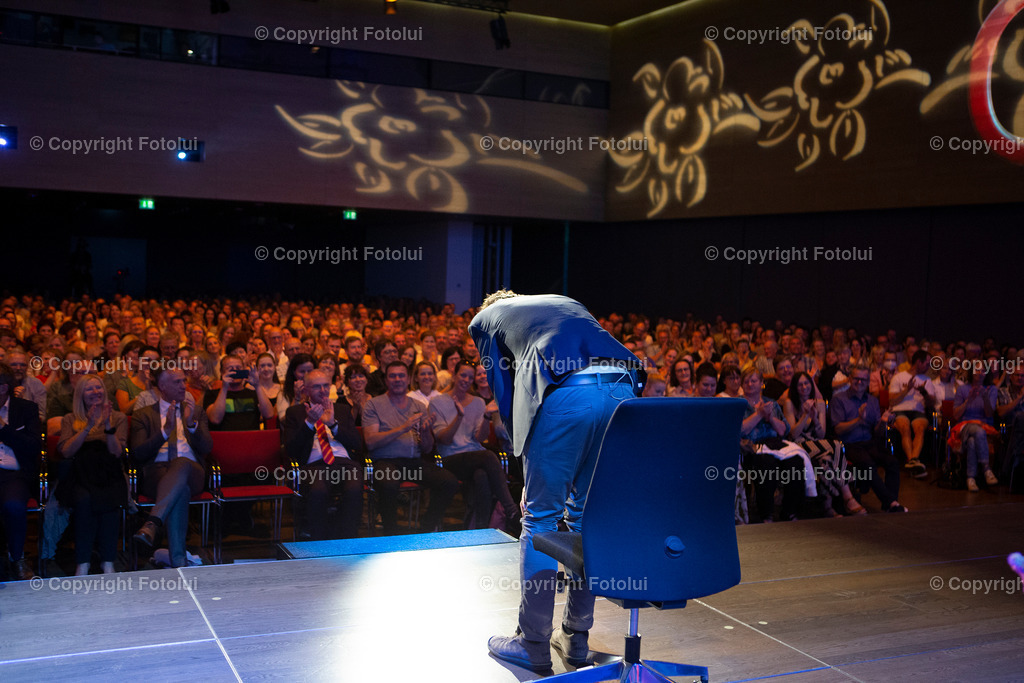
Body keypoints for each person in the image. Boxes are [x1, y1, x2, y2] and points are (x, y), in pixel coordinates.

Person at [470, 291, 639, 672]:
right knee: (585, 519)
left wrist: (523, 446)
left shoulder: (484, 320)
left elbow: (503, 382)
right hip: (622, 393)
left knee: (540, 519)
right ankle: (576, 637)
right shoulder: (563, 300)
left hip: (569, 397)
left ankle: (532, 642)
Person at [362, 361, 458, 534]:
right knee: (388, 483)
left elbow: (428, 449)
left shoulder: (419, 406)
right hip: (385, 462)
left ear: (408, 380)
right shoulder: (373, 405)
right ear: (386, 380)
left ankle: (427, 526)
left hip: (413, 463)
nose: (397, 379)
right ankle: (391, 535)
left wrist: (426, 432)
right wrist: (403, 428)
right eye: (392, 376)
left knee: (448, 481)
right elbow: (370, 441)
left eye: (401, 375)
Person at [130, 368, 213, 568]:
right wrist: (164, 433)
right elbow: (138, 454)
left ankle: (152, 523)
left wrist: (192, 422)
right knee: (180, 490)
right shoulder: (143, 415)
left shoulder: (196, 410)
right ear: (162, 387)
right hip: (156, 474)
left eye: (184, 381)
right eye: (176, 382)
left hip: (192, 472)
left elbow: (207, 448)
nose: (183, 386)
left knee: (182, 463)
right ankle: (178, 561)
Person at [428, 361, 518, 529]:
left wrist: (486, 416)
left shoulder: (478, 402)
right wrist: (459, 417)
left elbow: (479, 439)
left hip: (475, 457)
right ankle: (511, 509)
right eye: (463, 375)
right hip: (448, 459)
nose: (466, 380)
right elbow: (444, 440)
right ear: (454, 376)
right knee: (488, 456)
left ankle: (480, 529)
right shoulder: (437, 402)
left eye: (470, 377)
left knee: (482, 476)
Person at [57, 374, 128, 575]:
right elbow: (66, 451)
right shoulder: (70, 419)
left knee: (111, 497)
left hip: (109, 471)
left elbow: (116, 452)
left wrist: (107, 425)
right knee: (85, 500)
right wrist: (88, 426)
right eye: (89, 389)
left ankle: (107, 560)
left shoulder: (119, 418)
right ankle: (83, 561)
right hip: (79, 474)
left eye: (99, 388)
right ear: (80, 394)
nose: (96, 392)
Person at [282, 369, 363, 540]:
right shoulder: (295, 412)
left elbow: (356, 443)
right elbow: (291, 449)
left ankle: (349, 540)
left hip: (344, 463)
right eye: (317, 386)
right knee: (318, 490)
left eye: (326, 385)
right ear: (307, 390)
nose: (323, 390)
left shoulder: (341, 410)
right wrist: (309, 423)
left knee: (354, 489)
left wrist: (333, 425)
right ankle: (319, 542)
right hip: (313, 465)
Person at [831, 365, 907, 513]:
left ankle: (889, 504)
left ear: (867, 382)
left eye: (863, 380)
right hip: (849, 444)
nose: (860, 383)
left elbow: (878, 432)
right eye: (856, 379)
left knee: (892, 461)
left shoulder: (872, 400)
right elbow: (837, 429)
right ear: (850, 379)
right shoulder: (839, 399)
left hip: (870, 441)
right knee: (867, 463)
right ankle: (891, 502)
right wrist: (858, 420)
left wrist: (883, 421)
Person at [0, 362, 42, 581]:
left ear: (3, 387)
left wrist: (4, 429)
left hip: (15, 473)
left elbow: (34, 447)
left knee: (13, 505)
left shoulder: (26, 409)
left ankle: (17, 558)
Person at [888, 350, 936, 478]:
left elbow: (932, 403)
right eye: (926, 363)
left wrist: (924, 392)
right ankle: (913, 461)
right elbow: (892, 401)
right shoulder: (898, 377)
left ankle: (912, 461)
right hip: (899, 410)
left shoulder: (927, 380)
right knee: (904, 427)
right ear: (918, 362)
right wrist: (907, 390)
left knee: (919, 428)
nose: (928, 367)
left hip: (918, 411)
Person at [950, 366, 999, 492]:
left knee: (973, 441)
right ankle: (986, 468)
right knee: (978, 431)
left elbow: (989, 414)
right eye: (976, 370)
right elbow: (956, 415)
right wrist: (968, 400)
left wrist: (985, 398)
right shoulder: (962, 389)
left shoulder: (991, 389)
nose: (979, 373)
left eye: (983, 370)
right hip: (965, 425)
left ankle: (970, 478)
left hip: (984, 425)